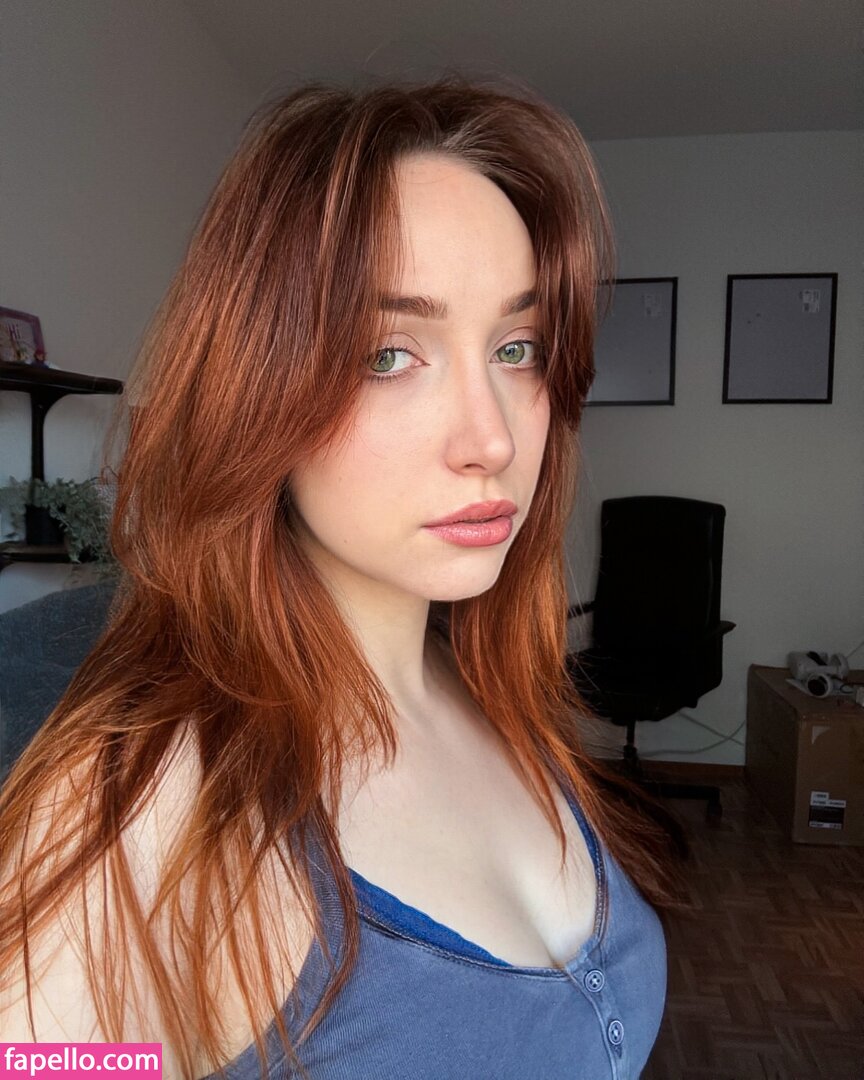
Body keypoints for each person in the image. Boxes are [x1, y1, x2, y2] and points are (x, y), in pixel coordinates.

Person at [0, 77, 687, 1079]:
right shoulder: (144, 807)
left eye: (517, 348)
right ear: (256, 389)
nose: (492, 439)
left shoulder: (488, 690)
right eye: (389, 354)